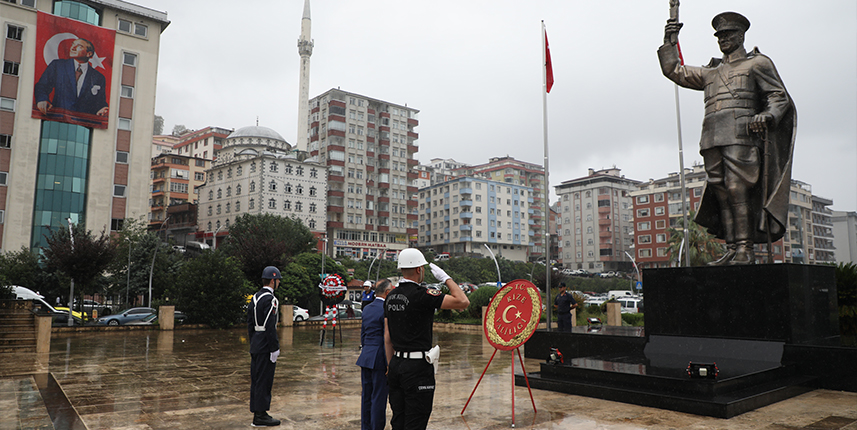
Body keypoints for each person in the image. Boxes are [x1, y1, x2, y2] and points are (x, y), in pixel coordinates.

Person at [659, 12, 795, 265]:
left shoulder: (758, 63)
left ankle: (745, 249)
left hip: (741, 134)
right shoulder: (711, 72)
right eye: (720, 36)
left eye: (728, 35)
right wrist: (670, 41)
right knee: (721, 191)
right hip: (711, 136)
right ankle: (732, 248)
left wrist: (768, 116)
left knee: (737, 188)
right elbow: (674, 70)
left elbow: (778, 96)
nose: (723, 39)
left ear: (741, 36)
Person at [384, 248, 470, 430]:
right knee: (416, 422)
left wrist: (391, 365)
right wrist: (446, 278)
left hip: (396, 365)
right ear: (418, 270)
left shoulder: (390, 297)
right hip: (417, 369)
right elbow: (463, 301)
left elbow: (387, 338)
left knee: (398, 421)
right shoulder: (422, 295)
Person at [34, 38, 109, 118]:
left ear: (89, 54)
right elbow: (42, 86)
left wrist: (103, 109)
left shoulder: (98, 77)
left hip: (84, 123)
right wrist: (42, 99)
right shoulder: (58, 66)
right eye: (73, 44)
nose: (73, 48)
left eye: (79, 46)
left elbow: (100, 102)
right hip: (58, 119)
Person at [356, 279, 393, 430]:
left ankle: (366, 427)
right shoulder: (386, 309)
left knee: (366, 396)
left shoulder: (367, 308)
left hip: (366, 356)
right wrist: (389, 362)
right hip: (380, 357)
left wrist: (366, 351)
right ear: (387, 292)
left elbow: (363, 335)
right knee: (379, 397)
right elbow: (387, 337)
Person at [247, 266, 282, 427]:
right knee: (264, 380)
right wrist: (274, 347)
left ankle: (258, 412)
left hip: (256, 342)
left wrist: (253, 341)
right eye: (278, 280)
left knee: (256, 379)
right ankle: (260, 416)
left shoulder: (254, 298)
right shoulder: (271, 300)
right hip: (265, 345)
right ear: (273, 281)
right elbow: (270, 325)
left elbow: (249, 324)